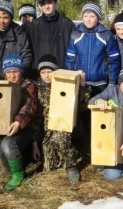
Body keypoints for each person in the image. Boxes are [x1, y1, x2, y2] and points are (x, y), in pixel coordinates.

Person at [0, 54, 38, 191]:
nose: (12, 76)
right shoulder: (1, 85)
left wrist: (18, 122)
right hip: (3, 129)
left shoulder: (28, 85)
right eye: (9, 72)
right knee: (6, 169)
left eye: (15, 72)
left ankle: (19, 174)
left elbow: (29, 106)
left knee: (8, 143)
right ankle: (16, 166)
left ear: (21, 72)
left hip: (24, 129)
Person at [34, 54, 90, 183]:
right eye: (43, 72)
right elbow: (37, 117)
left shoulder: (67, 85)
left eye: (50, 71)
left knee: (61, 136)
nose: (47, 75)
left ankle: (71, 166)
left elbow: (83, 106)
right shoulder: (38, 89)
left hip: (67, 125)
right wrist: (35, 141)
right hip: (48, 128)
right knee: (49, 166)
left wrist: (82, 86)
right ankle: (73, 154)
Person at [66, 3, 121, 96]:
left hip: (100, 83)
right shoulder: (75, 35)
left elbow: (114, 60)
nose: (88, 19)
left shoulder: (106, 35)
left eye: (92, 16)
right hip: (80, 81)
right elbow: (70, 59)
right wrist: (71, 76)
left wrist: (112, 81)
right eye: (85, 16)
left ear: (98, 18)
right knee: (81, 110)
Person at [26, 0, 76, 78]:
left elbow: (75, 50)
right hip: (41, 74)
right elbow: (29, 51)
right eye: (43, 4)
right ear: (39, 6)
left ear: (56, 4)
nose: (47, 6)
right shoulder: (33, 26)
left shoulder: (67, 24)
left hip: (62, 72)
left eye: (49, 2)